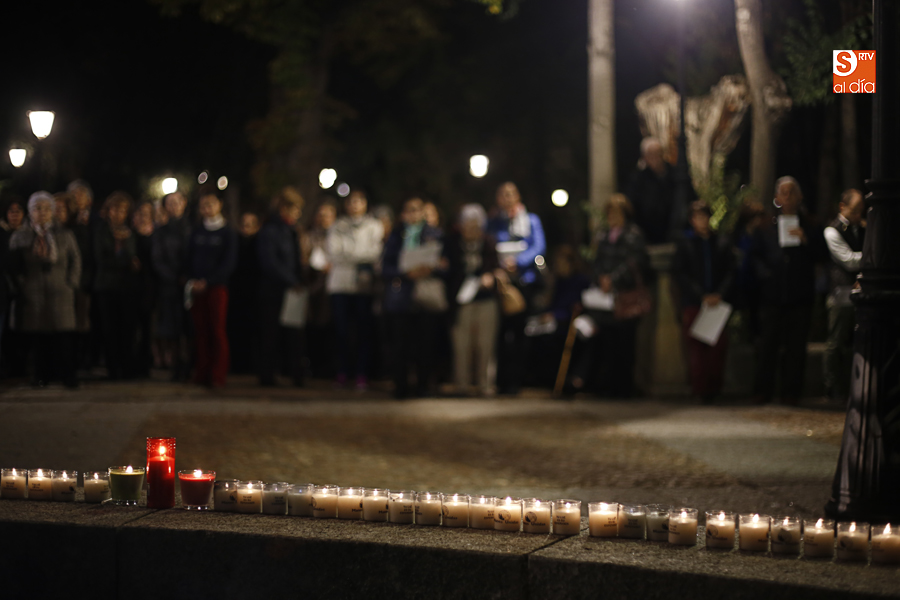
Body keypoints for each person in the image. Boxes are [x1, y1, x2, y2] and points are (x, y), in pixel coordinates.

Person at [751, 177, 828, 405]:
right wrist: (766, 274)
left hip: (799, 295)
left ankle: (791, 392)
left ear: (800, 196)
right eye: (783, 193)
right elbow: (754, 257)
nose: (787, 197)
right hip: (772, 295)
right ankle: (762, 390)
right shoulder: (765, 226)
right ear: (776, 198)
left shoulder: (812, 225)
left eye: (792, 192)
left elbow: (822, 256)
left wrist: (806, 241)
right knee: (767, 346)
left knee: (796, 348)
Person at [569, 194, 649, 397]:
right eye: (609, 213)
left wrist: (614, 279)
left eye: (615, 212)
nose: (612, 217)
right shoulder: (603, 236)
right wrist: (601, 279)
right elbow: (596, 262)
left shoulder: (633, 234)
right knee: (607, 342)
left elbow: (635, 262)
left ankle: (624, 387)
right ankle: (606, 386)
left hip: (624, 297)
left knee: (625, 344)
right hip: (605, 301)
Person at [9, 192, 82, 387]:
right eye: (37, 208)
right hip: (33, 292)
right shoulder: (21, 236)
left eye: (46, 208)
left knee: (64, 336)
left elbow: (75, 260)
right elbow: (13, 266)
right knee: (39, 338)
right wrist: (23, 284)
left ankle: (68, 376)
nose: (42, 213)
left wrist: (71, 283)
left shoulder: (64, 234)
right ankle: (41, 376)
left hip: (61, 290)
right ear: (30, 212)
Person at [672, 200, 736, 403]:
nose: (702, 221)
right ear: (692, 220)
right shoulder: (686, 244)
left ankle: (714, 389)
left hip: (718, 303)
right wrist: (701, 295)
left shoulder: (721, 242)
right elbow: (681, 274)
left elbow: (730, 271)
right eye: (697, 217)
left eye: (705, 216)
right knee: (696, 347)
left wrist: (719, 294)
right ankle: (699, 390)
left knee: (717, 348)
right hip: (695, 302)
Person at [486, 181, 546, 395]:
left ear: (518, 196)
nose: (507, 198)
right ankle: (501, 381)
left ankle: (517, 382)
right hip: (502, 283)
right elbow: (489, 245)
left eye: (511, 193)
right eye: (503, 194)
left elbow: (539, 246)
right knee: (501, 333)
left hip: (524, 281)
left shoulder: (531, 220)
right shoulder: (494, 221)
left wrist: (518, 261)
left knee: (520, 333)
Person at [382, 197, 445, 398]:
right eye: (409, 210)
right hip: (402, 297)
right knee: (400, 344)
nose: (413, 214)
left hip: (426, 296)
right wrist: (404, 272)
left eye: (417, 210)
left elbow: (447, 265)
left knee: (425, 344)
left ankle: (423, 386)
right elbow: (385, 267)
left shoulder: (435, 234)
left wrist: (432, 267)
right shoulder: (396, 235)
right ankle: (400, 386)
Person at [326, 188, 384, 389]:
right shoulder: (338, 226)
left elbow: (375, 253)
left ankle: (361, 374)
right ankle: (342, 372)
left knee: (363, 332)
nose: (355, 205)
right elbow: (333, 253)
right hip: (340, 285)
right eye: (351, 201)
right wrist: (360, 255)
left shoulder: (374, 226)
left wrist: (349, 255)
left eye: (359, 201)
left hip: (362, 287)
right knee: (341, 331)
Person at [445, 203, 499, 396]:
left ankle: (485, 384)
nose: (471, 228)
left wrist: (490, 276)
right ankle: (462, 384)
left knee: (485, 344)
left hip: (485, 299)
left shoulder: (489, 243)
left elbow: (495, 266)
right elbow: (448, 271)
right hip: (460, 301)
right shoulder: (452, 243)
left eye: (475, 224)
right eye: (467, 224)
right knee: (461, 344)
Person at [186, 188, 238, 389]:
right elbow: (189, 258)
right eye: (203, 205)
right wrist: (193, 280)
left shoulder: (227, 233)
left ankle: (218, 374)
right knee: (200, 331)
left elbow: (228, 263)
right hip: (196, 288)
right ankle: (202, 371)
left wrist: (209, 281)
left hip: (217, 288)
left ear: (219, 205)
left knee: (217, 330)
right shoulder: (197, 231)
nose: (207, 208)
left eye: (211, 204)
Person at [257, 187, 306, 387]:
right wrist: (291, 280)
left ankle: (296, 374)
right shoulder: (271, 230)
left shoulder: (292, 230)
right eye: (295, 209)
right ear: (284, 208)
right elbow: (270, 262)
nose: (298, 213)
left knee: (294, 334)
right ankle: (267, 375)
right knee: (270, 334)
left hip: (291, 289)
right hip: (273, 290)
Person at [823, 188, 866, 402]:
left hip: (861, 292)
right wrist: (871, 255)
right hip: (841, 294)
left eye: (861, 211)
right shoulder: (832, 230)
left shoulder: (861, 228)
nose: (859, 215)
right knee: (836, 342)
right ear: (842, 207)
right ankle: (832, 386)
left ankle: (856, 386)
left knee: (858, 341)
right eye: (855, 210)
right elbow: (848, 260)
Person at [94, 191, 139, 380]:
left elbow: (136, 259)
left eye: (123, 210)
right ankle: (113, 369)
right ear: (108, 210)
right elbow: (101, 259)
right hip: (106, 286)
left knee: (127, 328)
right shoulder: (101, 231)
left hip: (127, 287)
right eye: (115, 209)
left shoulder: (130, 232)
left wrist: (129, 260)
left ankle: (127, 368)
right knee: (110, 329)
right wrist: (126, 262)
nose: (119, 213)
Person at [152, 191, 191, 379]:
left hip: (191, 286)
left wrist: (189, 276)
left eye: (177, 202)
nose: (174, 206)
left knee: (190, 328)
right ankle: (176, 367)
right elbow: (158, 259)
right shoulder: (161, 231)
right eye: (170, 203)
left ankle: (191, 365)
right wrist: (174, 278)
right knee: (172, 328)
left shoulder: (193, 228)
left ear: (184, 203)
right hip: (170, 286)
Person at [304, 200, 337, 379]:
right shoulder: (309, 235)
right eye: (321, 214)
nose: (323, 218)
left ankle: (329, 367)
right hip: (314, 286)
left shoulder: (337, 235)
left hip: (333, 287)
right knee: (313, 329)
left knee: (330, 329)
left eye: (328, 214)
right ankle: (314, 367)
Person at [626, 137, 677, 245]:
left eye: (657, 153)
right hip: (647, 234)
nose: (655, 158)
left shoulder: (675, 174)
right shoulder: (638, 178)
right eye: (650, 154)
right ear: (644, 157)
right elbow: (633, 205)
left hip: (672, 231)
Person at [227, 211, 261, 374]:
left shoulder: (260, 243)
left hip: (254, 293)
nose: (246, 228)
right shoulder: (235, 242)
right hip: (236, 292)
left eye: (250, 225)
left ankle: (250, 365)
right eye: (244, 224)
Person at [132, 201, 157, 377]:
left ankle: (145, 365)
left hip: (150, 285)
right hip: (131, 285)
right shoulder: (129, 236)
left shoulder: (156, 236)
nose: (143, 218)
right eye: (139, 214)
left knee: (148, 327)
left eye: (147, 215)